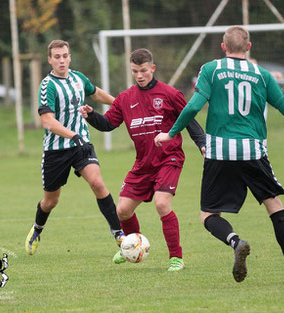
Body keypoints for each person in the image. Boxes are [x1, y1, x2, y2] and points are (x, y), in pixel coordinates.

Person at [154, 26, 284, 283]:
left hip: (219, 152)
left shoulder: (211, 69)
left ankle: (235, 241)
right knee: (274, 206)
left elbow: (193, 106)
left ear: (223, 47)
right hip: (252, 150)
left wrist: (170, 134)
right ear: (249, 47)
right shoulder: (262, 75)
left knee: (209, 215)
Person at [79, 48, 205, 271]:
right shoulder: (125, 98)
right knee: (123, 210)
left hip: (169, 158)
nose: (139, 75)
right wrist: (90, 115)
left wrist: (202, 143)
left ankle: (176, 258)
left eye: (144, 70)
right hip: (143, 163)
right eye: (135, 71)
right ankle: (132, 245)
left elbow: (189, 120)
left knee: (161, 203)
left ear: (152, 68)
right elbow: (108, 124)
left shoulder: (170, 94)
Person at [25, 40, 124, 255]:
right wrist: (73, 135)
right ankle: (37, 229)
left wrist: (120, 104)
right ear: (49, 60)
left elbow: (96, 93)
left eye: (65, 56)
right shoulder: (47, 86)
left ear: (69, 57)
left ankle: (118, 233)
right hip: (56, 150)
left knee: (97, 183)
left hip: (81, 146)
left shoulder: (79, 78)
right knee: (51, 201)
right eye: (57, 57)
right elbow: (47, 121)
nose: (62, 60)